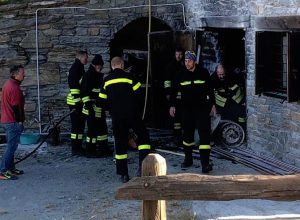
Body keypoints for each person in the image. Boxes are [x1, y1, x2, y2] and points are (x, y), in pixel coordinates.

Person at [99, 56, 151, 183]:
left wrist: (111, 108)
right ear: (122, 65)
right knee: (143, 138)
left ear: (112, 66)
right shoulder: (131, 78)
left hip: (117, 117)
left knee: (120, 144)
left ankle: (123, 174)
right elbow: (141, 95)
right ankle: (143, 168)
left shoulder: (106, 81)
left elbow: (101, 102)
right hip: (133, 114)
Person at [169, 51, 215, 173]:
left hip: (202, 109)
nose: (187, 63)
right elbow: (174, 91)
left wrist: (213, 105)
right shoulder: (180, 74)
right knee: (187, 135)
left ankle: (205, 164)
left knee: (204, 136)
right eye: (185, 60)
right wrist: (172, 105)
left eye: (189, 60)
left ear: (194, 61)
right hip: (186, 109)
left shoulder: (203, 72)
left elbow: (210, 90)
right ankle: (188, 159)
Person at [81, 54, 112, 158]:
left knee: (102, 129)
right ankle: (90, 150)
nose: (101, 68)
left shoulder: (98, 76)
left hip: (99, 107)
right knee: (92, 130)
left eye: (101, 66)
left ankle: (103, 148)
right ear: (94, 65)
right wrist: (89, 106)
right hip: (91, 107)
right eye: (99, 66)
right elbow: (84, 92)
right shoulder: (88, 75)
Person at [0, 65, 26, 180]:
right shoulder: (14, 88)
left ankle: (10, 168)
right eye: (22, 73)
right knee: (11, 147)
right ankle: (3, 171)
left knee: (11, 146)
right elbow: (16, 108)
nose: (24, 75)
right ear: (15, 74)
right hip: (12, 121)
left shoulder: (8, 84)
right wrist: (20, 122)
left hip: (6, 120)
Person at [211, 63, 246, 130]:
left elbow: (243, 84)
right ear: (216, 73)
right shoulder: (213, 78)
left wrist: (244, 100)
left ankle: (242, 129)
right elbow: (209, 92)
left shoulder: (233, 74)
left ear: (226, 72)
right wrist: (213, 106)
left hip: (236, 97)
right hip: (222, 101)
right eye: (219, 75)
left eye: (223, 74)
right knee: (225, 115)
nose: (221, 76)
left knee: (241, 112)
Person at [66, 50, 88, 156]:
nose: (87, 60)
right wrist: (78, 103)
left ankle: (78, 146)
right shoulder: (76, 68)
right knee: (76, 126)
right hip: (75, 102)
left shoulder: (79, 67)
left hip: (77, 101)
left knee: (79, 125)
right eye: (85, 57)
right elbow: (74, 87)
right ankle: (75, 148)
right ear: (80, 57)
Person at [164, 47, 185, 143]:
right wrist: (168, 92)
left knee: (183, 113)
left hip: (183, 93)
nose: (179, 56)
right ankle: (176, 135)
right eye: (177, 54)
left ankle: (184, 133)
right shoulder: (170, 66)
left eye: (180, 54)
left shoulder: (184, 64)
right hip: (173, 92)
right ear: (174, 54)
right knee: (175, 114)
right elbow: (167, 80)